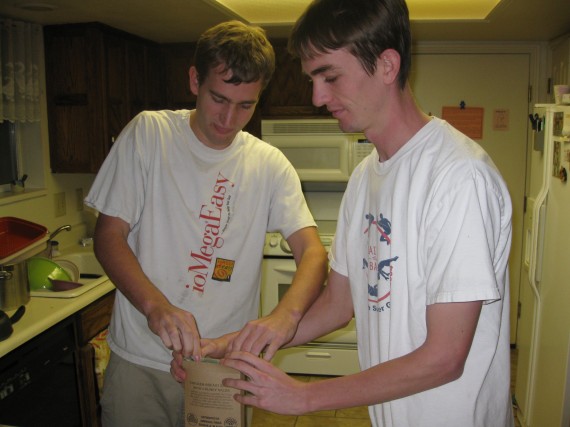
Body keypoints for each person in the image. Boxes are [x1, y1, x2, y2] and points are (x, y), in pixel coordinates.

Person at [171, 1, 515, 426]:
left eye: (330, 77)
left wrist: (305, 396)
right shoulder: (366, 176)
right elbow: (337, 303)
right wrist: (236, 346)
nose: (317, 97)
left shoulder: (458, 177)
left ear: (387, 65)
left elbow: (444, 358)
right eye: (313, 79)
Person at [85, 20, 327, 427]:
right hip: (140, 361)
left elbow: (313, 252)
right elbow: (109, 236)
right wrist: (155, 306)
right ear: (195, 79)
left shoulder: (269, 165)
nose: (229, 118)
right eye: (219, 98)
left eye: (246, 105)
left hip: (223, 364)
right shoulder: (149, 135)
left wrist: (285, 316)